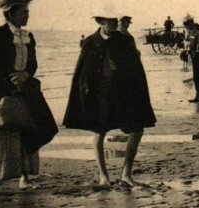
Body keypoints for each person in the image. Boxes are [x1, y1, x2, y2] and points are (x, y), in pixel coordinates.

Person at [64, 10, 156, 188]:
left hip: (124, 93)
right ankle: (103, 176)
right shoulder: (90, 42)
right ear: (100, 21)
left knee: (137, 130)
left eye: (115, 20)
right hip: (101, 95)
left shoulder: (125, 40)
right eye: (110, 21)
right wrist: (86, 93)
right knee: (99, 133)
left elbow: (136, 68)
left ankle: (126, 174)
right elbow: (82, 72)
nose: (114, 23)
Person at [0, 0, 58, 198]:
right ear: (10, 14)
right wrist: (11, 77)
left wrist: (26, 74)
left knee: (29, 130)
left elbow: (33, 63)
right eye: (23, 13)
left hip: (25, 87)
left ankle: (25, 178)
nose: (27, 16)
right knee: (1, 131)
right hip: (3, 87)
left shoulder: (28, 36)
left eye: (28, 13)